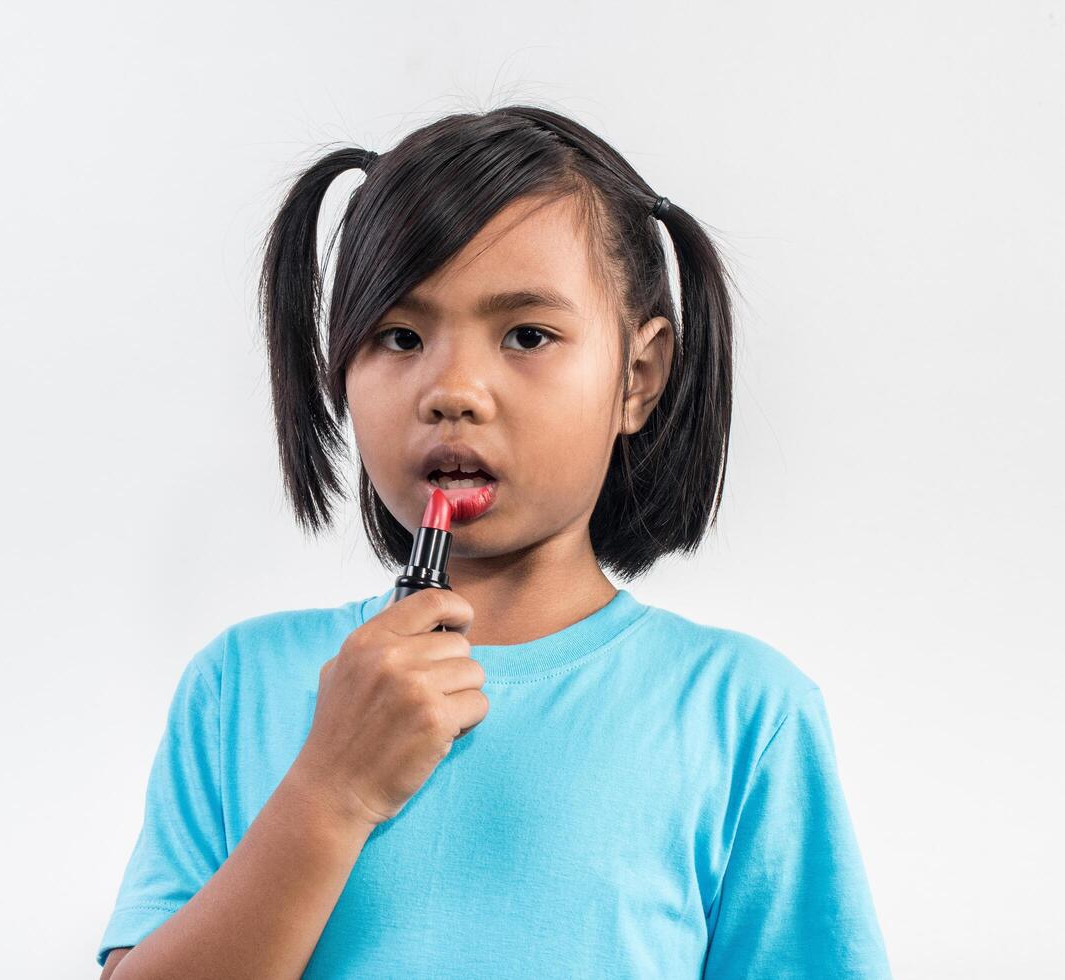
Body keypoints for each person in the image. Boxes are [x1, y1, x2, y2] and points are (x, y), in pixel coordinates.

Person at [96, 105, 891, 979]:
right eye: (399, 337)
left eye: (527, 336)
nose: (453, 391)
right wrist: (331, 790)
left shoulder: (744, 714)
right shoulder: (238, 687)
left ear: (637, 377)